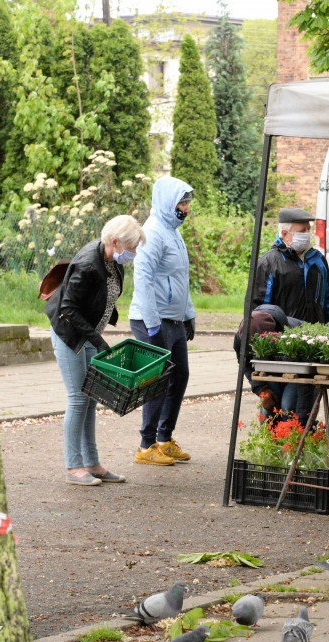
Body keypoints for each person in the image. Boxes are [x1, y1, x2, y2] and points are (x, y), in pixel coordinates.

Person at [46, 215, 145, 486]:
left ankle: (92, 463)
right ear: (115, 242)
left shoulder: (112, 260)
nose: (134, 253)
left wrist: (98, 330)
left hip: (89, 332)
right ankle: (73, 467)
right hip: (69, 334)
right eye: (132, 247)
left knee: (91, 396)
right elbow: (67, 308)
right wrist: (98, 340)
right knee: (78, 397)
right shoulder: (88, 264)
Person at [129, 177, 197, 467]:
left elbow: (181, 278)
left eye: (188, 203)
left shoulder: (173, 232)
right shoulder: (153, 232)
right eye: (182, 203)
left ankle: (164, 439)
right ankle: (146, 446)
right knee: (156, 380)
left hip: (174, 319)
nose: (186, 209)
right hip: (152, 320)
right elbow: (143, 279)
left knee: (179, 376)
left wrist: (189, 314)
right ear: (169, 202)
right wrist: (152, 323)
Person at [253, 207, 329, 325]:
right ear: (284, 234)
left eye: (308, 229)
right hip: (284, 333)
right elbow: (259, 310)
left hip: (316, 333)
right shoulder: (268, 263)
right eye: (302, 231)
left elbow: (328, 303)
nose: (307, 234)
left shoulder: (318, 259)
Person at [233, 304, 310, 424]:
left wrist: (302, 419)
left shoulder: (294, 334)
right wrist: (261, 389)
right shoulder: (241, 337)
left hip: (297, 370)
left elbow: (306, 375)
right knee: (269, 407)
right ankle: (270, 435)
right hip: (270, 370)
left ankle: (289, 434)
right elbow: (246, 365)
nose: (254, 348)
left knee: (287, 407)